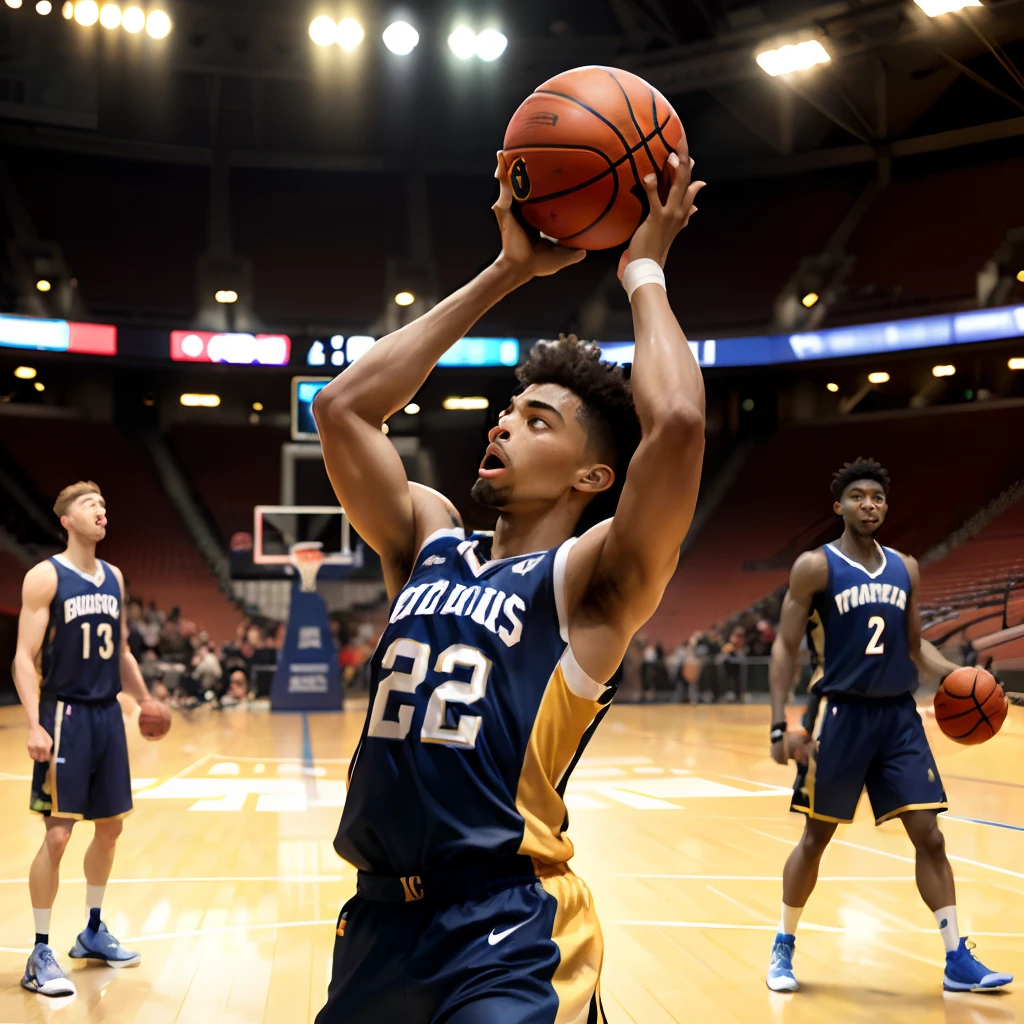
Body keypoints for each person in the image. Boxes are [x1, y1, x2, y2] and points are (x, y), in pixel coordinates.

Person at [311, 147, 705, 1023]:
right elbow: (341, 409)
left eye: (538, 421)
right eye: (506, 411)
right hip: (375, 924)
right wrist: (506, 271)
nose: (503, 424)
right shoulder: (429, 537)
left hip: (506, 928)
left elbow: (675, 422)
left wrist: (644, 266)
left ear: (593, 479)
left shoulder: (590, 583)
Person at [766, 458, 1012, 994]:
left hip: (898, 718)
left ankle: (955, 958)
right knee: (816, 837)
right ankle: (783, 946)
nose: (869, 505)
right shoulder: (816, 566)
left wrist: (965, 676)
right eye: (857, 497)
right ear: (839, 506)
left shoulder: (906, 567)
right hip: (838, 716)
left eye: (877, 497)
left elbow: (912, 642)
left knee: (931, 835)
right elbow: (785, 646)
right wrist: (779, 725)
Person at [12, 481, 155, 997]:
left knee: (111, 829)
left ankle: (92, 931)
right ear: (66, 520)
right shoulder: (45, 577)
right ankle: (41, 951)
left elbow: (121, 652)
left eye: (103, 502)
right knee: (58, 833)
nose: (101, 508)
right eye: (89, 503)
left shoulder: (115, 577)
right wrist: (34, 722)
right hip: (66, 713)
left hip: (107, 717)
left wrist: (145, 699)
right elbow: (23, 659)